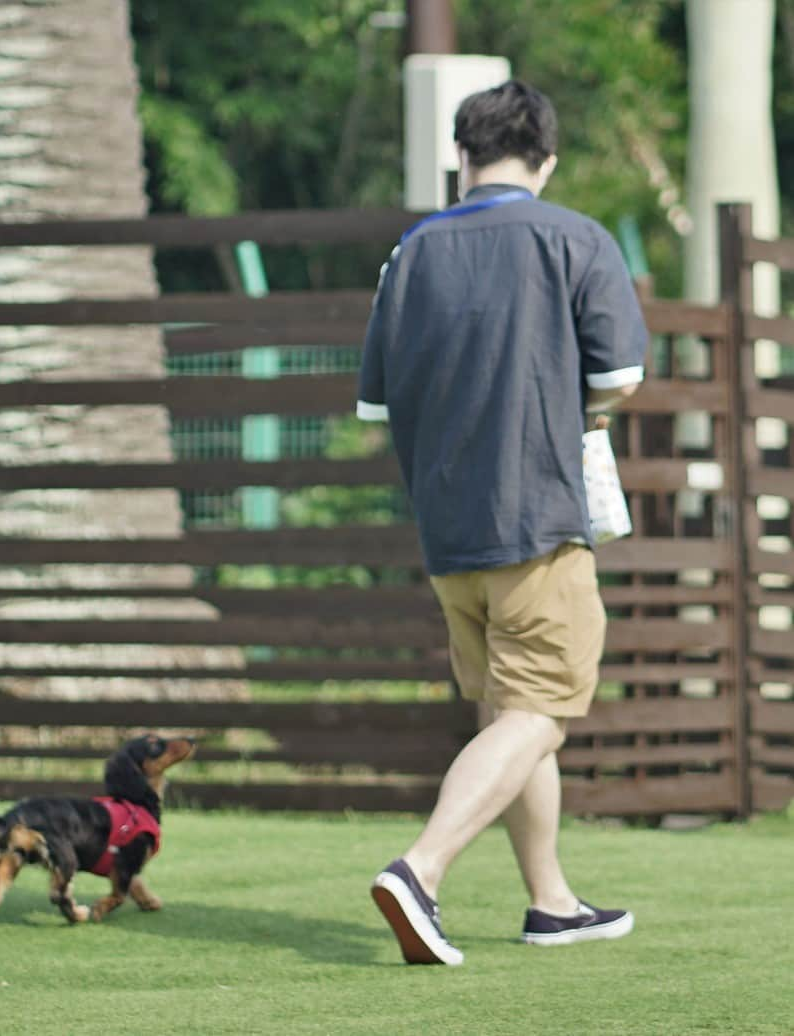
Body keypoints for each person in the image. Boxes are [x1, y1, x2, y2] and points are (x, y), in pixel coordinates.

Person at [358, 80, 647, 966]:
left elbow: (375, 402)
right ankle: (423, 870)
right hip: (540, 515)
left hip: (448, 532)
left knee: (510, 710)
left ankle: (551, 902)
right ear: (546, 158)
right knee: (545, 709)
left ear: (462, 156)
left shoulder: (410, 250)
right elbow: (622, 375)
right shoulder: (575, 238)